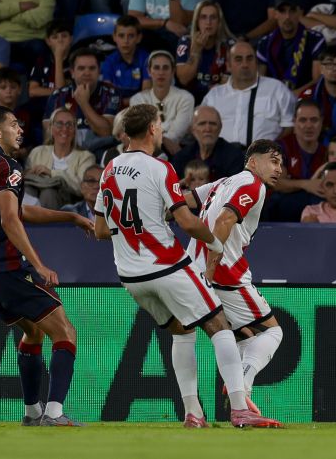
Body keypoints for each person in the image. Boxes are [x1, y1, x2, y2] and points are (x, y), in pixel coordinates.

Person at [94, 104, 281, 428]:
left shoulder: (109, 168)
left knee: (183, 334)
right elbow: (192, 221)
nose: (163, 130)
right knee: (221, 328)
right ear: (152, 129)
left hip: (129, 274)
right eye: (160, 125)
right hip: (170, 265)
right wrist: (212, 249)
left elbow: (99, 230)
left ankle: (193, 413)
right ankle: (240, 407)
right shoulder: (161, 168)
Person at [0, 105, 94, 426]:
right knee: (65, 331)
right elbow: (10, 219)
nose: (20, 129)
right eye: (13, 124)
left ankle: (32, 412)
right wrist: (38, 264)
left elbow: (16, 211)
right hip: (6, 265)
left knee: (33, 332)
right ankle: (55, 413)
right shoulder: (7, 166)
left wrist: (71, 216)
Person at [182, 138, 286, 423]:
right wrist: (212, 270)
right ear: (253, 162)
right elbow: (224, 221)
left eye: (281, 163)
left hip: (195, 268)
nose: (279, 168)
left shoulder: (221, 183)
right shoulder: (253, 185)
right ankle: (242, 383)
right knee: (272, 333)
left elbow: (183, 200)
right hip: (225, 272)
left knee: (240, 337)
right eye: (273, 160)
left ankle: (231, 405)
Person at [203, 40, 295, 146]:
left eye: (250, 59)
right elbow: (200, 127)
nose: (245, 64)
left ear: (256, 63)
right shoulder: (214, 96)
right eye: (238, 59)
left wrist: (271, 151)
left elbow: (289, 127)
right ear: (228, 65)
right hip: (222, 159)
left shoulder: (277, 89)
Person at [25, 108, 97, 210]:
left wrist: (52, 173)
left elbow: (83, 188)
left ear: (75, 130)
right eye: (59, 124)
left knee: (48, 192)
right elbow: (26, 179)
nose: (64, 129)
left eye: (69, 124)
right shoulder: (37, 152)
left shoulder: (86, 157)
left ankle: (48, 226)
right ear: (51, 128)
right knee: (27, 190)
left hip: (70, 203)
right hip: (36, 196)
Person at [130, 49, 195, 155]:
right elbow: (141, 132)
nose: (161, 72)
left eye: (165, 68)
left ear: (173, 71)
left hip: (179, 150)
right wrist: (164, 137)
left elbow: (177, 134)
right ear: (149, 71)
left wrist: (156, 132)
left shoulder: (186, 98)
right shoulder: (137, 100)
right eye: (156, 68)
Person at [257, 0, 325, 92]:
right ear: (275, 14)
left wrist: (294, 94)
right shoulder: (264, 43)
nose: (287, 16)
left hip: (305, 98)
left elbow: (317, 80)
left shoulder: (315, 40)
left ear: (300, 13)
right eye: (282, 11)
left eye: (292, 10)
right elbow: (259, 82)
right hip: (273, 97)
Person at [175, 0, 235, 103]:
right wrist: (196, 52)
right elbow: (184, 79)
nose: (208, 22)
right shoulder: (186, 42)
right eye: (203, 17)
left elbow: (231, 83)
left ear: (219, 22)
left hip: (219, 98)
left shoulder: (230, 46)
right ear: (197, 21)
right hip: (189, 99)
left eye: (213, 17)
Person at [171, 106, 244, 181]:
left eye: (213, 124)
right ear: (193, 129)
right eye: (202, 124)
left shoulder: (235, 157)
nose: (208, 129)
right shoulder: (181, 157)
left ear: (220, 127)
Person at [100, 16, 150, 103]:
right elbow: (108, 95)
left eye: (131, 36)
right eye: (121, 36)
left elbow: (146, 95)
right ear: (114, 37)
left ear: (138, 38)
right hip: (114, 108)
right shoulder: (109, 61)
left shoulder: (147, 59)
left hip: (140, 108)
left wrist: (123, 102)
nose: (126, 41)